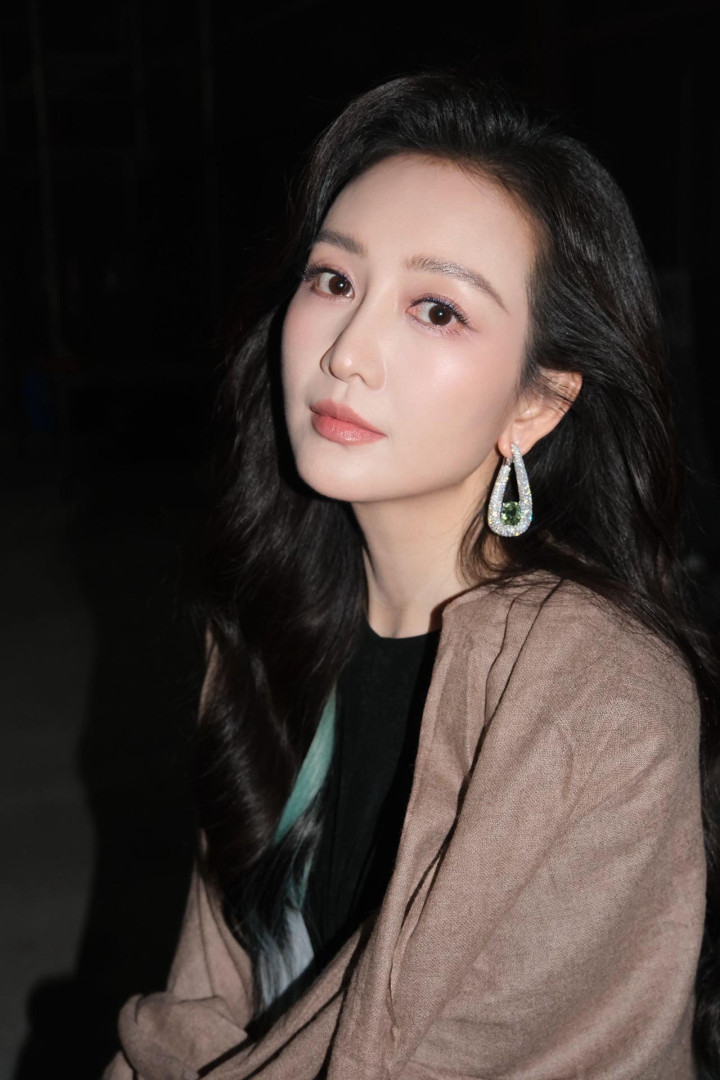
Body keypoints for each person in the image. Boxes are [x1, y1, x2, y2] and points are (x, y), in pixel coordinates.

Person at [104, 71, 719, 1079]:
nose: (348, 353)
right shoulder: (273, 618)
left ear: (537, 403)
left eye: (436, 309)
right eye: (334, 280)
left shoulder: (601, 701)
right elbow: (202, 999)